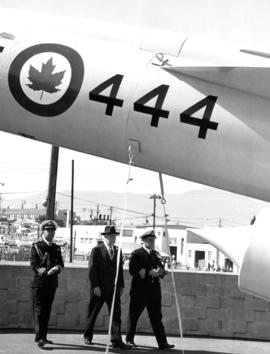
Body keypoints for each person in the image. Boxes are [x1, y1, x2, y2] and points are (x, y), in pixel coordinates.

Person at [126, 230, 175, 350]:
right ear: (143, 241)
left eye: (153, 240)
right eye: (149, 240)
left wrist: (162, 272)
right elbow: (133, 271)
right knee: (133, 317)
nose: (152, 242)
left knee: (157, 318)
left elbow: (160, 267)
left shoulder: (156, 254)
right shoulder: (136, 254)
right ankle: (129, 340)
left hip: (154, 292)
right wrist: (149, 272)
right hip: (140, 291)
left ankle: (162, 343)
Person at [84, 225, 130, 349]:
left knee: (116, 316)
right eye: (110, 236)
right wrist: (95, 286)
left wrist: (121, 285)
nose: (112, 238)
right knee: (93, 313)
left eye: (114, 236)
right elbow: (92, 270)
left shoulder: (118, 251)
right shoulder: (97, 250)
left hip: (113, 289)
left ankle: (116, 340)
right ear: (105, 237)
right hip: (99, 289)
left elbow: (119, 270)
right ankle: (87, 336)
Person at [30, 220, 64, 348]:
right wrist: (46, 272)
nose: (51, 233)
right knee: (39, 311)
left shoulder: (56, 248)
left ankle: (43, 336)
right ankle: (39, 337)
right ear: (43, 232)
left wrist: (57, 269)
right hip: (39, 283)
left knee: (47, 311)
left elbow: (61, 264)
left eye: (53, 231)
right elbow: (34, 265)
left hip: (52, 284)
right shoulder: (36, 246)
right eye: (48, 230)